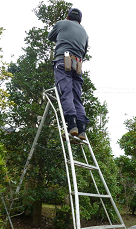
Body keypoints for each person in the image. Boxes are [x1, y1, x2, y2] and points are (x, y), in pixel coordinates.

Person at [48, 8, 89, 140]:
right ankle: (81, 128)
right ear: (80, 20)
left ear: (67, 17)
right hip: (78, 65)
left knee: (66, 92)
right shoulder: (85, 32)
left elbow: (50, 37)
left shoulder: (61, 23)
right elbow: (84, 52)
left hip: (63, 61)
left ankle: (72, 125)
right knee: (77, 96)